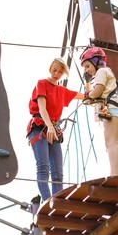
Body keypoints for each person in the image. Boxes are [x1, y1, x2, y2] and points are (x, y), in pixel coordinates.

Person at [26, 57, 84, 202]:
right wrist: (50, 127)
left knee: (58, 173)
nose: (56, 74)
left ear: (63, 74)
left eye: (59, 72)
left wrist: (91, 82)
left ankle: (58, 203)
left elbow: (86, 96)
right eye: (54, 70)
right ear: (50, 68)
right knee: (43, 168)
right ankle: (47, 202)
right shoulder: (42, 84)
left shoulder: (62, 91)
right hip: (39, 127)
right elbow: (42, 108)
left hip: (53, 129)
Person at [80, 47, 118, 176]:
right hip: (115, 108)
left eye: (87, 66)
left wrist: (88, 93)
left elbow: (97, 92)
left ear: (96, 61)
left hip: (112, 110)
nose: (87, 70)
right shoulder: (108, 72)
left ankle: (115, 174)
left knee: (111, 142)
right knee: (115, 142)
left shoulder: (101, 72)